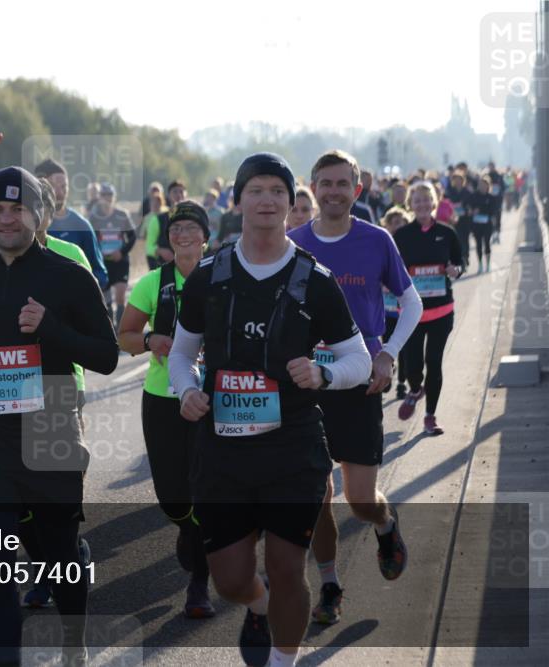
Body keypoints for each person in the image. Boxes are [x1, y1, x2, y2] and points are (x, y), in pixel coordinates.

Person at [169, 152, 372, 667]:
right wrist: (186, 390)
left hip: (292, 449)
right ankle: (257, 606)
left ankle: (283, 659)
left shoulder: (315, 279)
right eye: (256, 190)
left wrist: (324, 374)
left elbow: (359, 360)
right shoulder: (209, 277)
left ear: (291, 201)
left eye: (278, 191)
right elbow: (181, 354)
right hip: (223, 452)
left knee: (286, 569)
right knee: (231, 579)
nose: (267, 200)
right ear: (238, 200)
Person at [0, 165, 118, 666]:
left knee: (58, 556)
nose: (6, 218)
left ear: (38, 215)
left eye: (17, 209)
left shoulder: (69, 276)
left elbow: (106, 356)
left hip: (51, 425)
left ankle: (74, 641)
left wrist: (51, 327)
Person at [289, 150, 421, 627]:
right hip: (307, 384)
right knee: (316, 495)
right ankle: (330, 585)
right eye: (325, 183)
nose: (333, 192)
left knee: (360, 500)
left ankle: (385, 525)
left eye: (342, 183)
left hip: (362, 379)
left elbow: (411, 302)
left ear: (357, 190)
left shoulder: (376, 240)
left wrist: (389, 354)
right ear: (313, 188)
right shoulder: (292, 245)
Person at [117, 200, 214, 618]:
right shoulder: (153, 283)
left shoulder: (222, 277)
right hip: (162, 397)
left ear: (205, 236)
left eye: (191, 228)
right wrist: (149, 340)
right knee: (172, 498)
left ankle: (199, 583)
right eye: (176, 228)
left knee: (206, 489)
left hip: (211, 398)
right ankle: (187, 529)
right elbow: (124, 335)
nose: (182, 234)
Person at [395, 181, 465, 436]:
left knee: (433, 362)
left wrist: (456, 270)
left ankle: (430, 417)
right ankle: (415, 389)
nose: (423, 204)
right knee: (413, 367)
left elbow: (460, 261)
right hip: (412, 313)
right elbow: (390, 268)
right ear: (410, 204)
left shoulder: (447, 233)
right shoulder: (401, 236)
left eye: (427, 199)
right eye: (418, 200)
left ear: (434, 202)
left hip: (441, 310)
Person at [32, 155, 109, 291]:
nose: (60, 193)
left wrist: (73, 292)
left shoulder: (81, 226)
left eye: (64, 186)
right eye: (52, 187)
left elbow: (100, 274)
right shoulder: (20, 226)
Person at [88, 183, 136, 327]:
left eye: (110, 195)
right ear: (99, 197)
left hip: (120, 260)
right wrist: (98, 254)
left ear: (114, 197)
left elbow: (132, 237)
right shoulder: (94, 217)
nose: (107, 198)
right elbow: (91, 239)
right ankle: (111, 328)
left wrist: (121, 252)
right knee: (106, 299)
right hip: (103, 262)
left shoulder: (122, 215)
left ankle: (120, 328)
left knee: (120, 296)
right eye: (104, 195)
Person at [382, 208, 413, 398]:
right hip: (386, 308)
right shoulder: (382, 246)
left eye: (402, 223)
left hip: (404, 307)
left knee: (403, 347)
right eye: (394, 223)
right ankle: (387, 375)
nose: (398, 227)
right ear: (387, 225)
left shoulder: (411, 246)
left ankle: (401, 382)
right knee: (386, 344)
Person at [155, 180, 188, 263]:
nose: (178, 195)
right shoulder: (158, 219)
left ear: (186, 195)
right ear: (169, 196)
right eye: (175, 192)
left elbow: (204, 242)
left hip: (189, 264)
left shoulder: (195, 217)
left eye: (181, 192)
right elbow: (149, 246)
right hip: (166, 265)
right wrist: (160, 251)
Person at [445, 171, 472, 270]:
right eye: (455, 180)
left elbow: (471, 204)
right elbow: (446, 203)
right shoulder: (449, 192)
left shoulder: (467, 192)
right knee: (456, 240)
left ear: (462, 180)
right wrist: (453, 205)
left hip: (465, 219)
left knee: (465, 239)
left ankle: (465, 257)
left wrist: (466, 208)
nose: (457, 182)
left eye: (459, 180)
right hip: (453, 220)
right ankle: (459, 259)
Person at [470, 177, 497, 272]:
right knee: (478, 244)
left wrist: (481, 210)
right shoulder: (474, 196)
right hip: (476, 224)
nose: (482, 187)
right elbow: (469, 207)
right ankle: (480, 264)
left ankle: (488, 264)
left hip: (487, 224)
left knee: (487, 243)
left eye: (484, 185)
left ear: (487, 186)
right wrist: (472, 211)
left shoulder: (491, 197)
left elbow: (493, 211)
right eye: (480, 185)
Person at [143, 188, 167, 270]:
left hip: (165, 252)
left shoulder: (167, 214)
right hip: (152, 253)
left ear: (161, 203)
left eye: (157, 202)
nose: (155, 204)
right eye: (153, 202)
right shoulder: (147, 218)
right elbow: (143, 235)